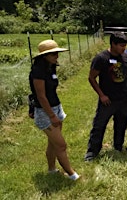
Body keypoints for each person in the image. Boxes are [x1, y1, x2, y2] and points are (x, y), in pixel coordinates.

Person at [29, 39, 80, 180]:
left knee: (53, 143)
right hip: (46, 112)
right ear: (44, 56)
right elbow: (40, 96)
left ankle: (52, 169)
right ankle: (72, 174)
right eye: (53, 54)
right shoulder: (38, 71)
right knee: (61, 145)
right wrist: (51, 116)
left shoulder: (50, 67)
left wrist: (56, 111)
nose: (56, 56)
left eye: (57, 53)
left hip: (56, 107)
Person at [85, 32, 127, 161]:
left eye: (125, 46)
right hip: (108, 99)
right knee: (99, 125)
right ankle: (92, 151)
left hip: (123, 98)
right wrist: (101, 95)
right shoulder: (101, 58)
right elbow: (91, 78)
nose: (123, 48)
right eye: (121, 45)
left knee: (121, 123)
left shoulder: (126, 58)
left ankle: (118, 146)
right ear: (113, 44)